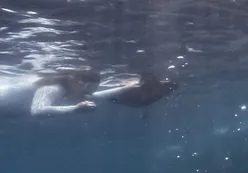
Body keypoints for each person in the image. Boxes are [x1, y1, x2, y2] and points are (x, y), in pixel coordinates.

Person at [0, 69, 177, 118]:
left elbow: (94, 96)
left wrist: (126, 88)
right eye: (87, 88)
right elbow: (37, 111)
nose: (88, 93)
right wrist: (74, 109)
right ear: (76, 81)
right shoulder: (53, 88)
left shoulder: (69, 88)